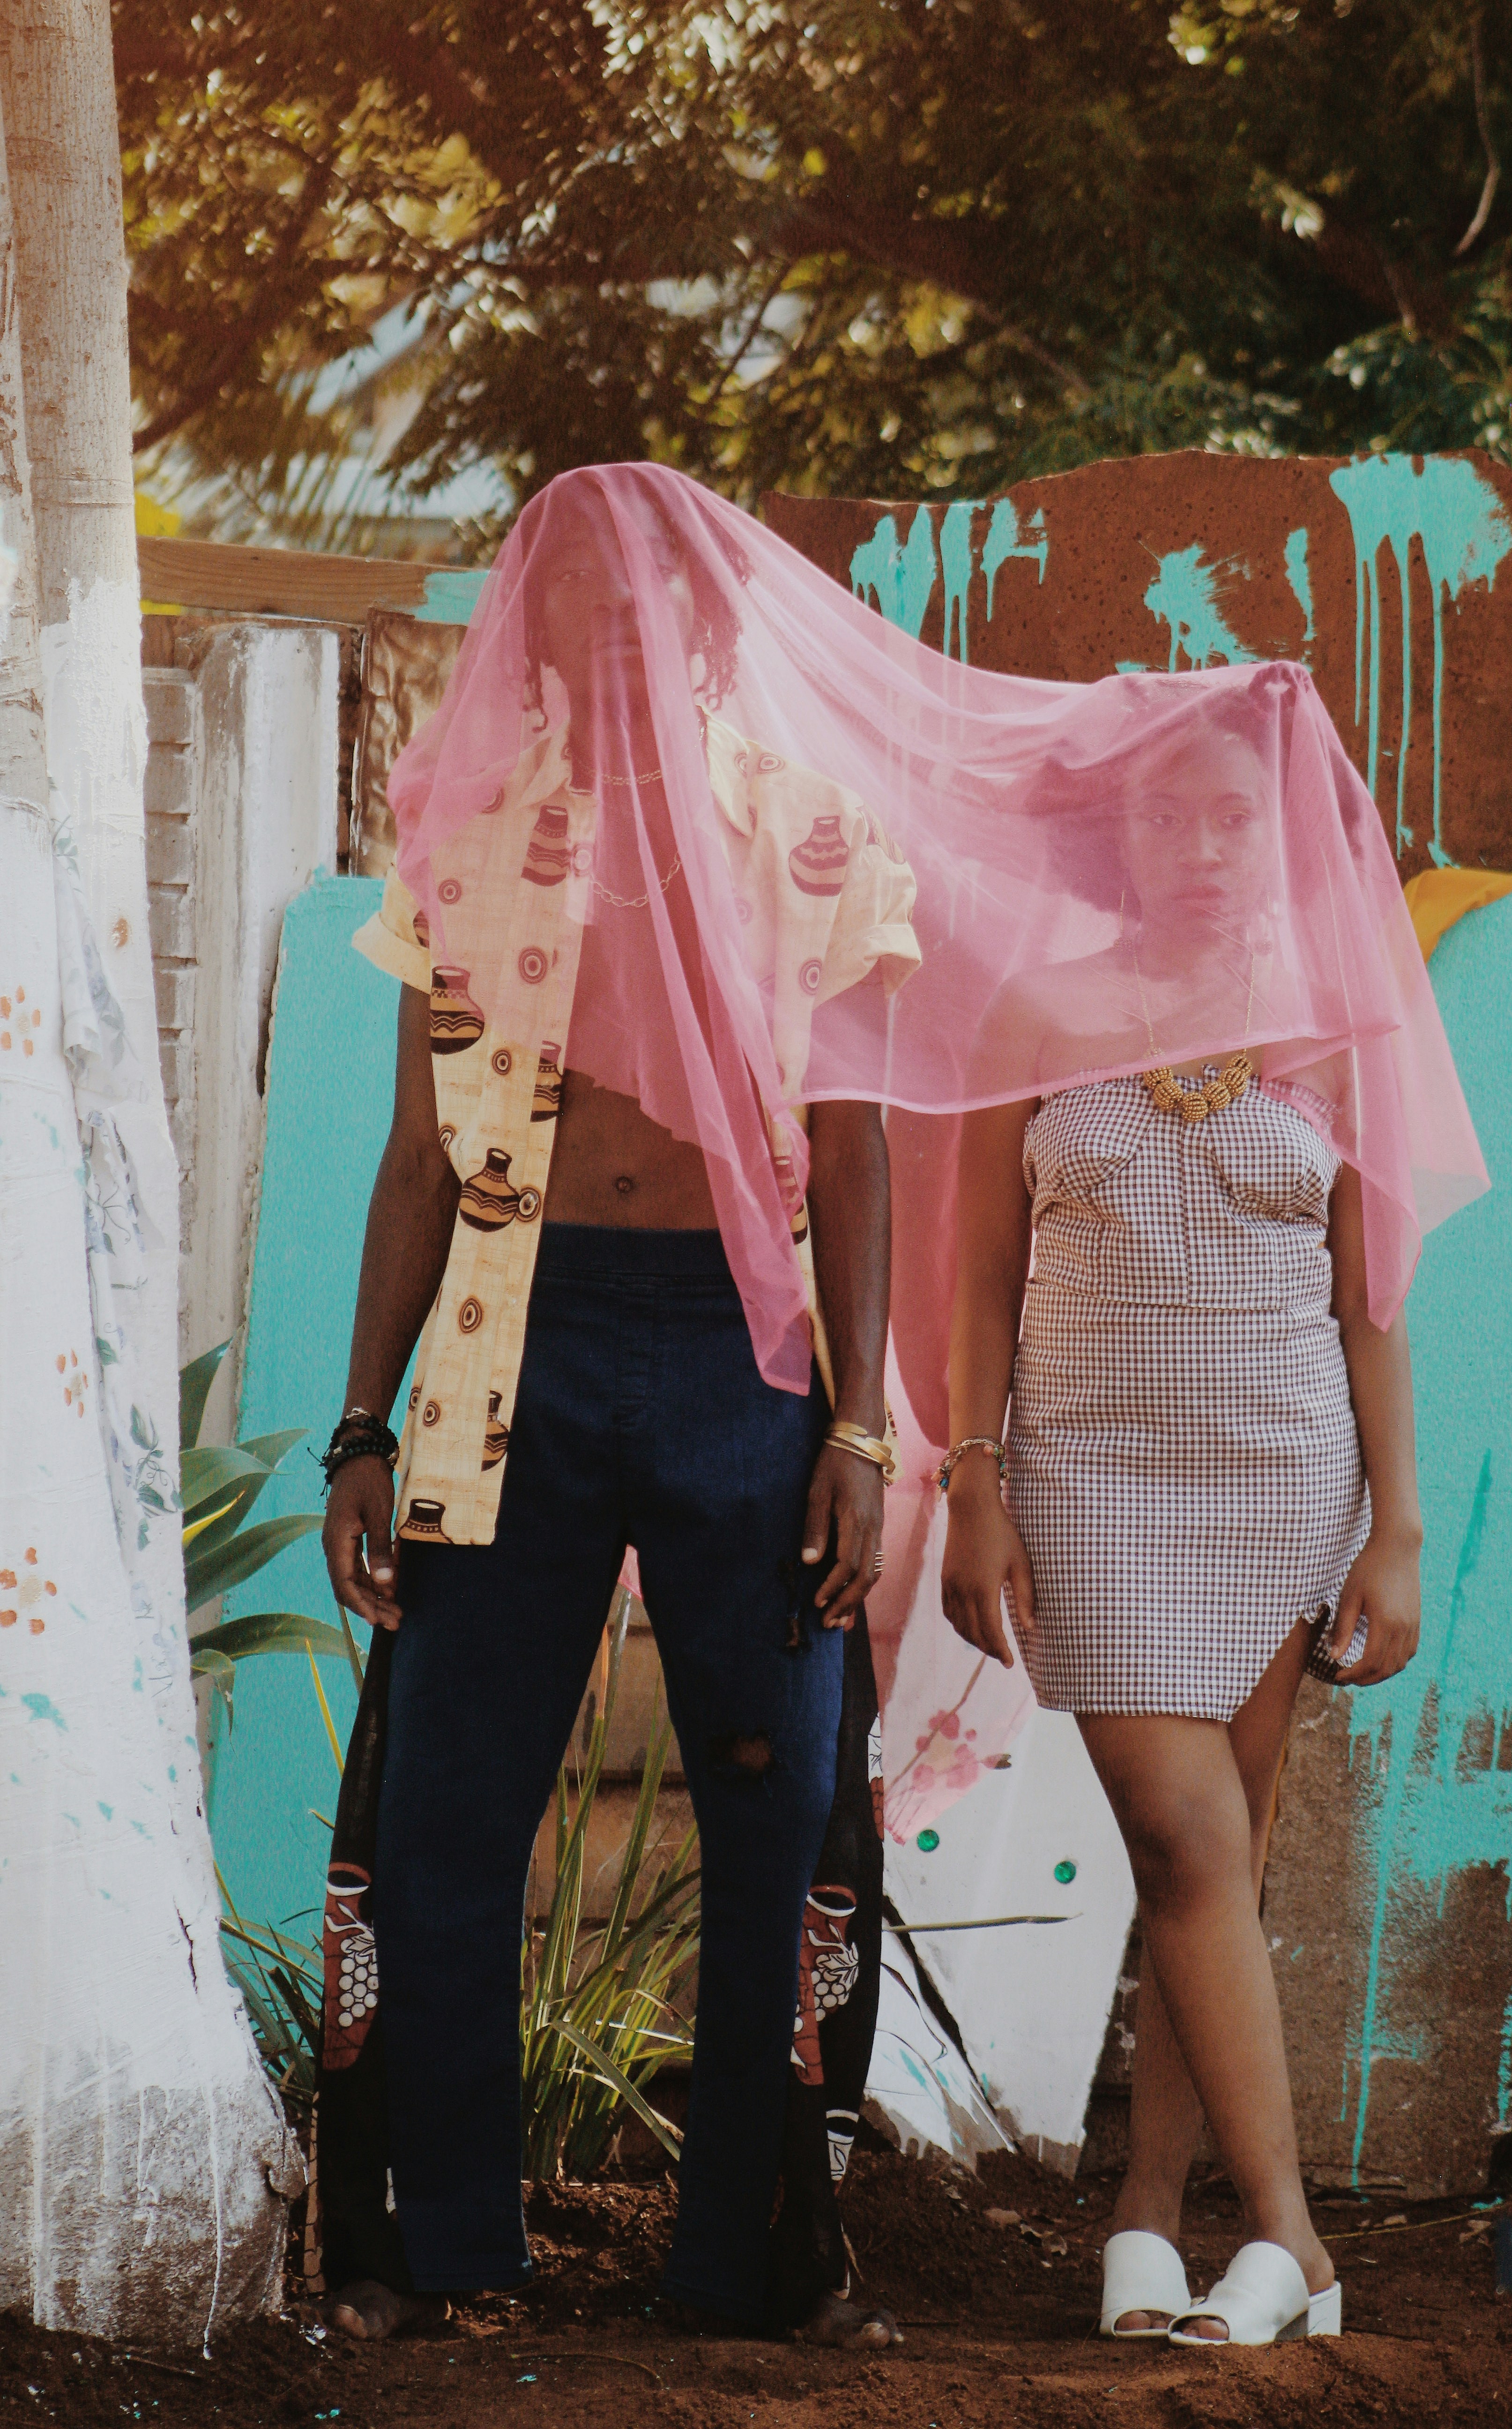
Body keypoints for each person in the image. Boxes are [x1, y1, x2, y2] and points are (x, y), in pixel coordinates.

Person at [315, 469, 918, 2344]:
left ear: (711, 619)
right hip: (515, 1348)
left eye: (643, 600)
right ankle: (457, 2252)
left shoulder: (814, 832)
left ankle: (739, 2268)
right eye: (570, 606)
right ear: (542, 631)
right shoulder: (471, 836)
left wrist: (864, 1430)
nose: (610, 632)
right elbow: (419, 1161)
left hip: (747, 1360)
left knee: (779, 1811)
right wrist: (357, 1424)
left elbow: (861, 1146)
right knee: (446, 1812)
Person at [937, 711, 1461, 2347]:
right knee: (1184, 1842)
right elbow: (980, 1274)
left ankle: (1149, 2220)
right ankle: (1295, 2242)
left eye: (1236, 817)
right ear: (1121, 840)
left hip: (1286, 1475)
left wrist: (1401, 1530)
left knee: (1207, 1867)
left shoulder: (1341, 1023)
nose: (1205, 848)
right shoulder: (1035, 1009)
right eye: (1170, 819)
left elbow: (1373, 1305)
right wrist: (973, 1473)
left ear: (1285, 832)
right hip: (1089, 1481)